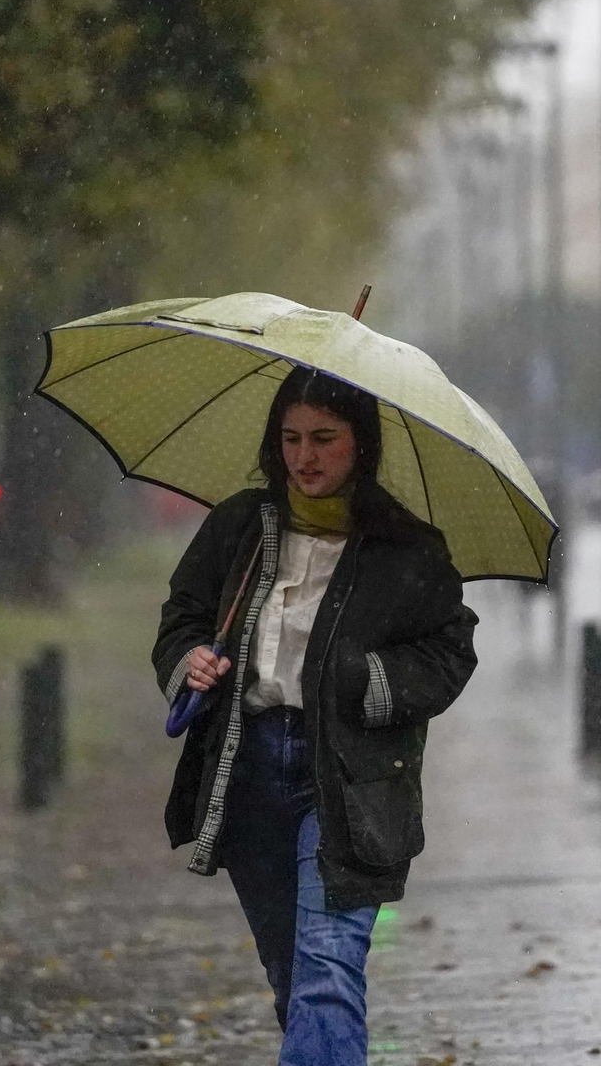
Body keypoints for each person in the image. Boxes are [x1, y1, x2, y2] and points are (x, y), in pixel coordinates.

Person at [152, 366, 478, 1065]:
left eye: (325, 438)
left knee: (327, 974)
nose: (306, 456)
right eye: (292, 438)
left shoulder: (407, 549)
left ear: (360, 443)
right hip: (248, 776)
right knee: (294, 975)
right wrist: (192, 661)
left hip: (351, 783)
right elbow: (182, 616)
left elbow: (450, 653)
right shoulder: (240, 526)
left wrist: (367, 678)